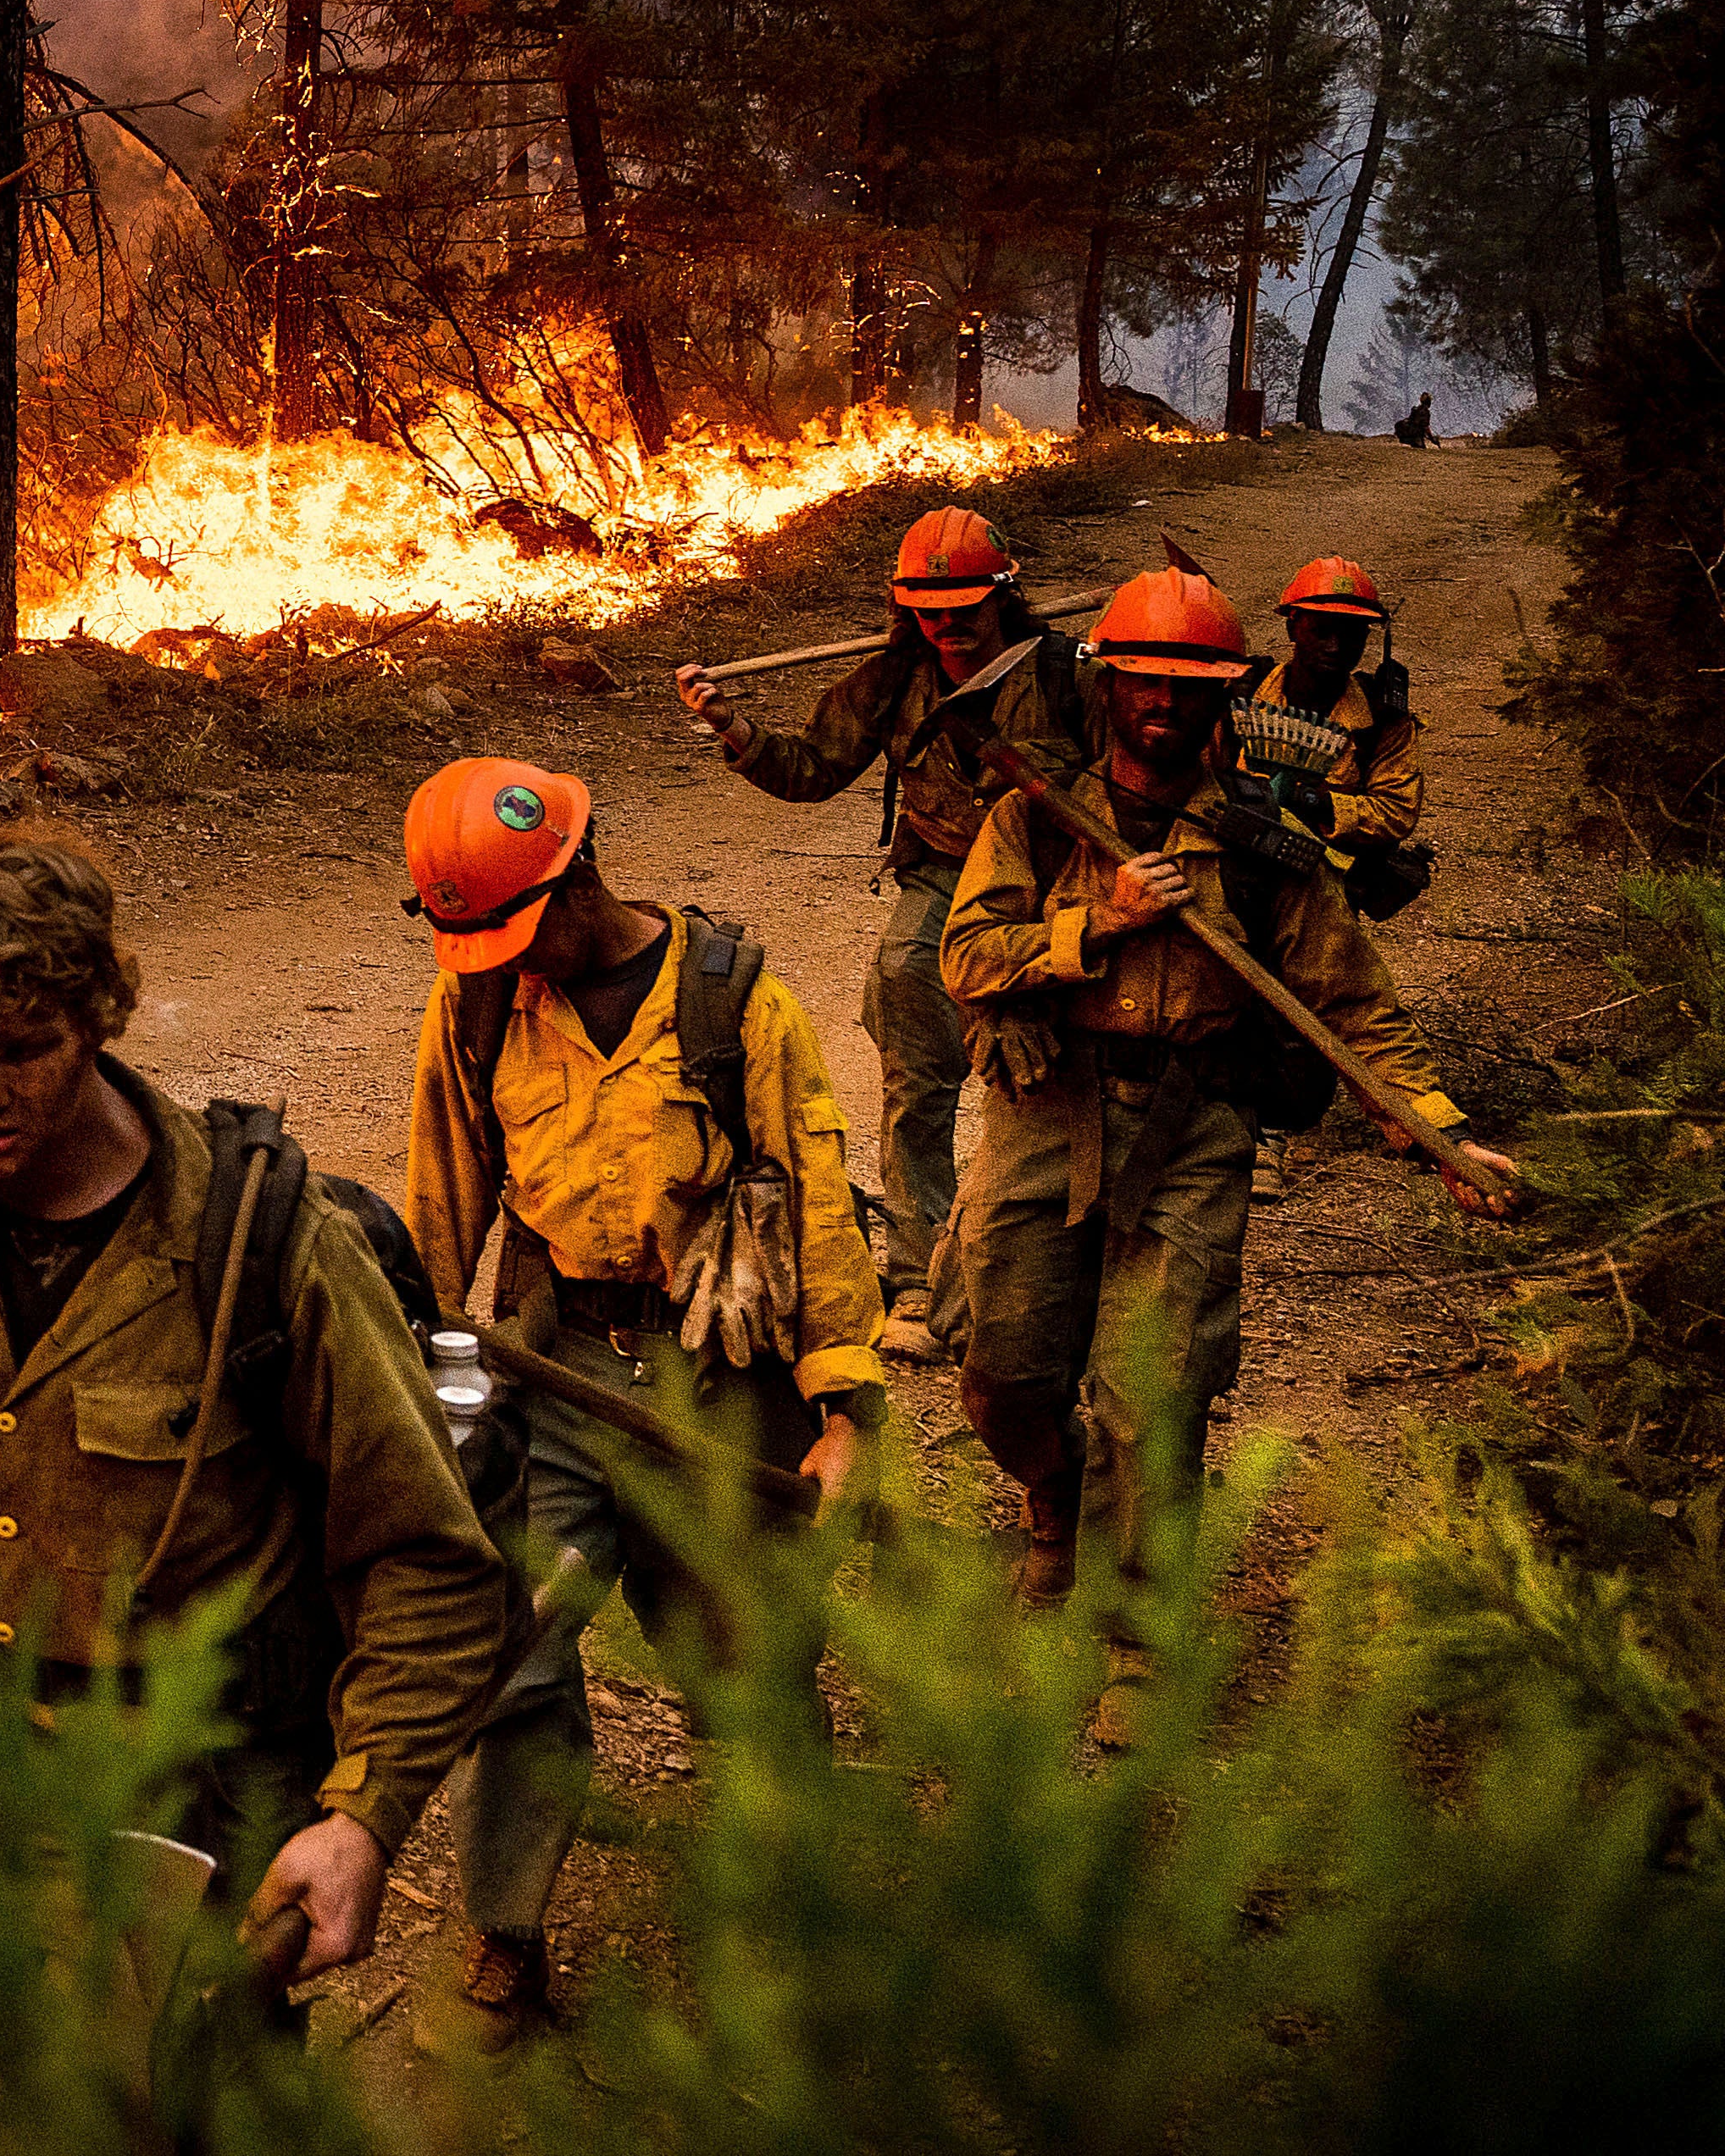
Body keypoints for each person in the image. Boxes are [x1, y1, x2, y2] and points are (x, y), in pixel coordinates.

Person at [0, 823, 506, 1986]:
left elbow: (426, 1553)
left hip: (203, 1791)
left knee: (187, 2107)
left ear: (98, 1021)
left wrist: (364, 1817)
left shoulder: (264, 1241)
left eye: (24, 1050)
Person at [390, 759, 880, 2053]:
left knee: (752, 1651)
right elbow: (440, 1221)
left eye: (513, 930)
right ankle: (503, 1932)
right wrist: (437, 1403)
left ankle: (802, 1912)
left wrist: (843, 1414)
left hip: (718, 1374)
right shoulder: (478, 1006)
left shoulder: (734, 1004)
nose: (497, 961)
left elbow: (816, 1197)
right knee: (520, 1640)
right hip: (552, 1366)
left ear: (580, 875)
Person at [938, 569, 1517, 1616]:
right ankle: (1057, 1498)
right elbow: (968, 957)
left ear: (1226, 696)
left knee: (1152, 1399)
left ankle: (1139, 1640)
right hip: (1047, 1109)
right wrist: (1097, 925)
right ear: (1108, 686)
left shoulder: (1263, 853)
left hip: (1192, 1125)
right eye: (1144, 682)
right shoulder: (1037, 819)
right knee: (1004, 1377)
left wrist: (1443, 1133)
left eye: (1189, 685)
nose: (1162, 703)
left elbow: (1354, 1006)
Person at [674, 504, 1085, 1364]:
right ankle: (916, 1277)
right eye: (930, 612)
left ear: (1003, 598)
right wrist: (733, 728)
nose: (949, 627)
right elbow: (814, 767)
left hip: (1057, 888)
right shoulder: (894, 678)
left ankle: (1049, 1268)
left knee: (1058, 1073)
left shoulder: (1066, 675)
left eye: (966, 608)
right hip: (943, 877)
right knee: (910, 1035)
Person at [1243, 557, 1428, 916]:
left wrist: (1312, 800)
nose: (1336, 646)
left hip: (1324, 891)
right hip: (1235, 869)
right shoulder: (1246, 694)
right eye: (1322, 630)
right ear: (1293, 628)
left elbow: (1396, 810)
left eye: (1351, 634)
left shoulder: (1381, 720)